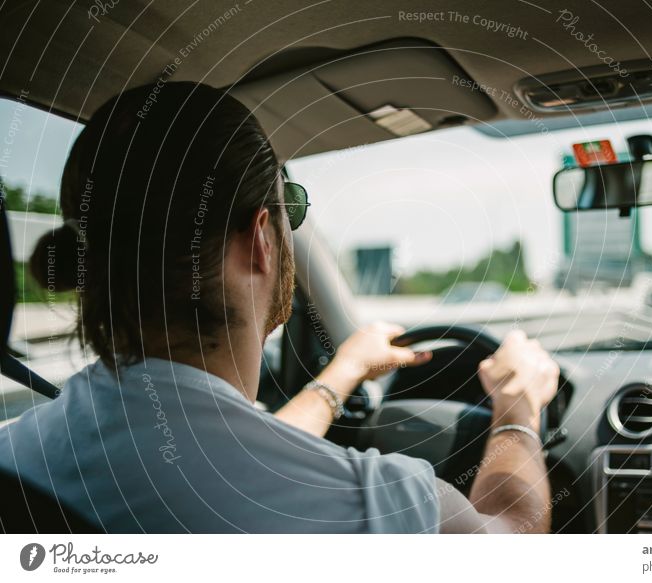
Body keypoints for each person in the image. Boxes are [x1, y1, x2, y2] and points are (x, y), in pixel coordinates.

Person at [0, 82, 558, 533]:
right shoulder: (367, 506)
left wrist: (341, 375)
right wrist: (518, 410)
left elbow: (243, 457)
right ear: (260, 241)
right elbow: (513, 531)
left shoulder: (18, 455)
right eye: (290, 208)